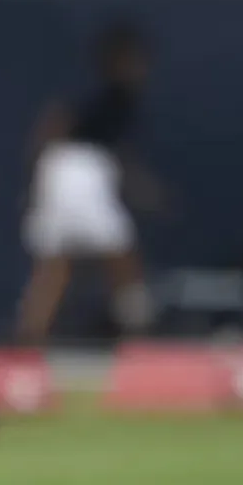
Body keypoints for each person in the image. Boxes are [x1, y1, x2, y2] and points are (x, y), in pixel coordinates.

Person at [12, 21, 152, 344]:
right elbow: (54, 124)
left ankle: (29, 335)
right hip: (77, 173)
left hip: (74, 173)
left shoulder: (119, 99)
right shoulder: (101, 91)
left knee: (59, 262)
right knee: (117, 255)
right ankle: (138, 332)